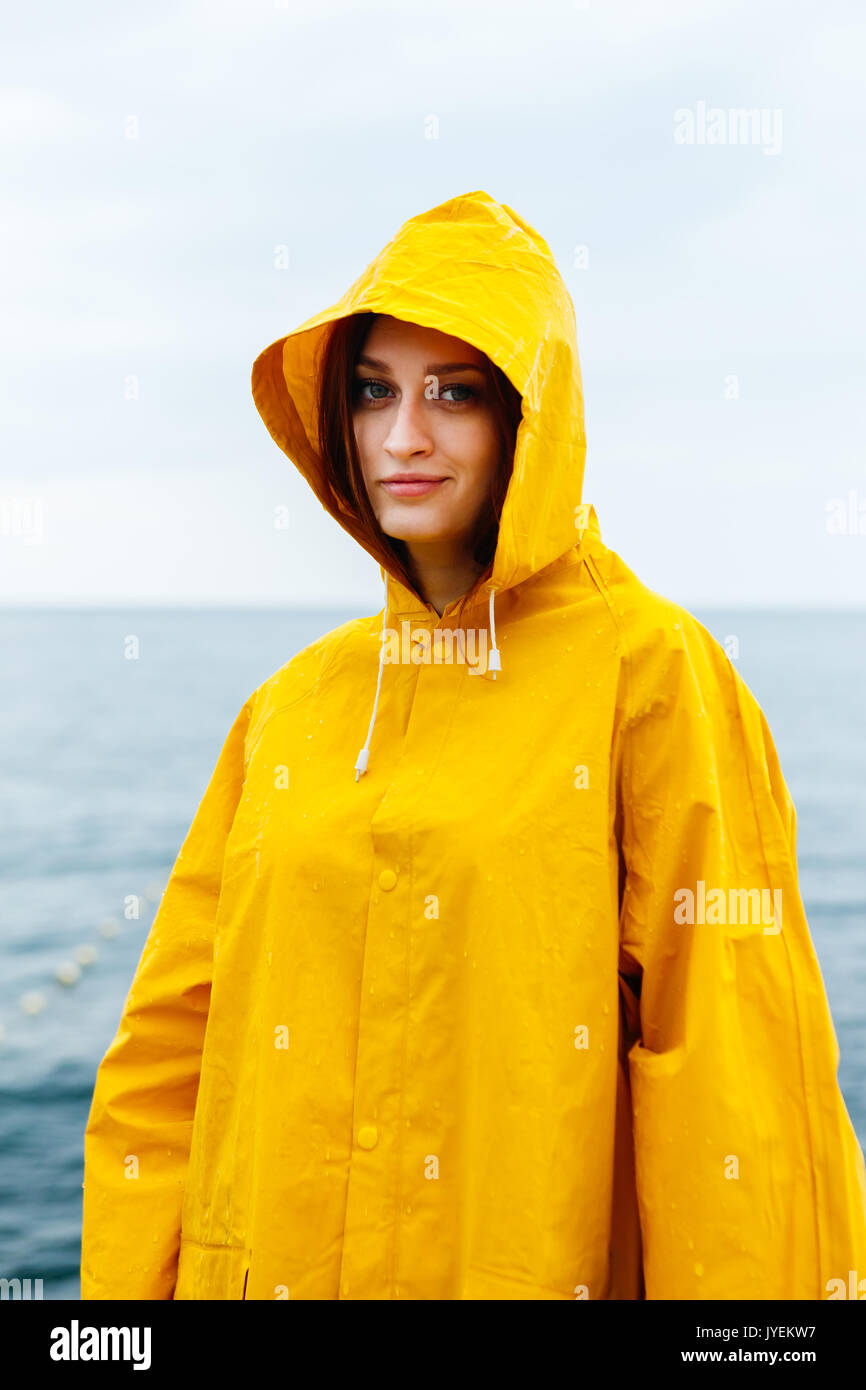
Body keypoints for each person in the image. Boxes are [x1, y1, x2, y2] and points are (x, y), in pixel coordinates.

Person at [80, 189, 866, 1300]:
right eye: (373, 392)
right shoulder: (293, 704)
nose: (404, 436)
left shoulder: (649, 673)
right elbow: (166, 1054)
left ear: (525, 416)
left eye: (453, 393)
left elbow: (730, 1086)